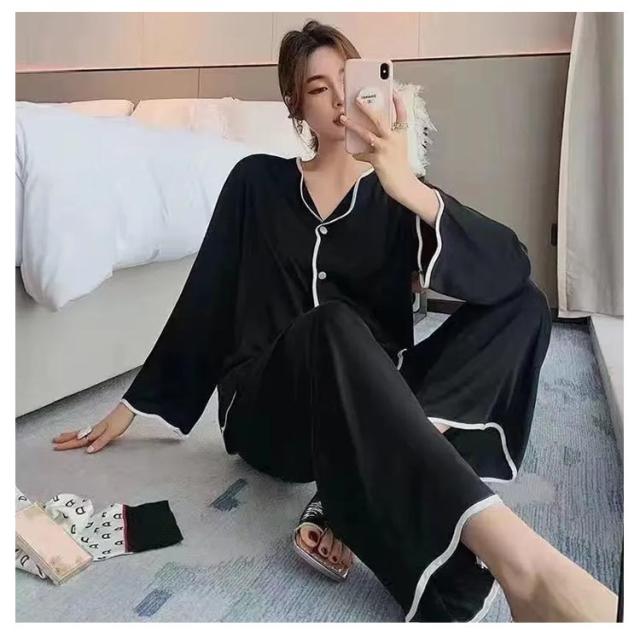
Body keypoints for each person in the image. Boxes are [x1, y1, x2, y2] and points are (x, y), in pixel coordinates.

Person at [51, 20, 620, 623]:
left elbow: (510, 267)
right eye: (319, 88)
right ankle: (524, 565)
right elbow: (207, 297)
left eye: (348, 80)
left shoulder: (397, 196)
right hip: (273, 412)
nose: (339, 98)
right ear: (297, 106)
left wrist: (408, 185)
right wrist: (133, 405)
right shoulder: (256, 182)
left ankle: (346, 490)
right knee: (333, 324)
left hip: (372, 394)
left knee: (525, 304)